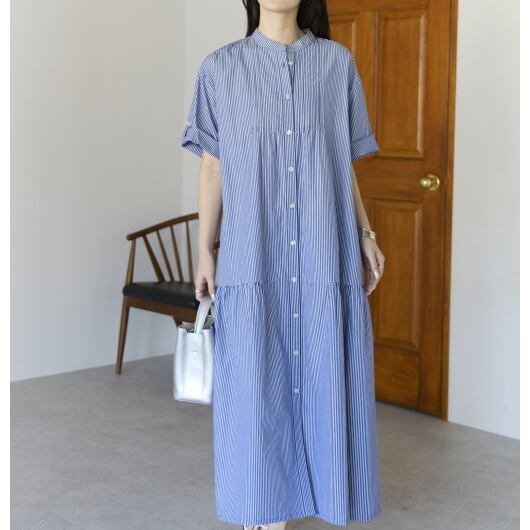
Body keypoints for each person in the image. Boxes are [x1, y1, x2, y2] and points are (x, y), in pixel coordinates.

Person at [180, 1, 385, 528]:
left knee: (323, 375)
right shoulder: (219, 68)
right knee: (254, 385)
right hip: (254, 255)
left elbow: (342, 163)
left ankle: (325, 495)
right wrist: (205, 249)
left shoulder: (337, 64)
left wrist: (364, 233)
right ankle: (262, 510)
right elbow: (212, 166)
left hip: (323, 253)